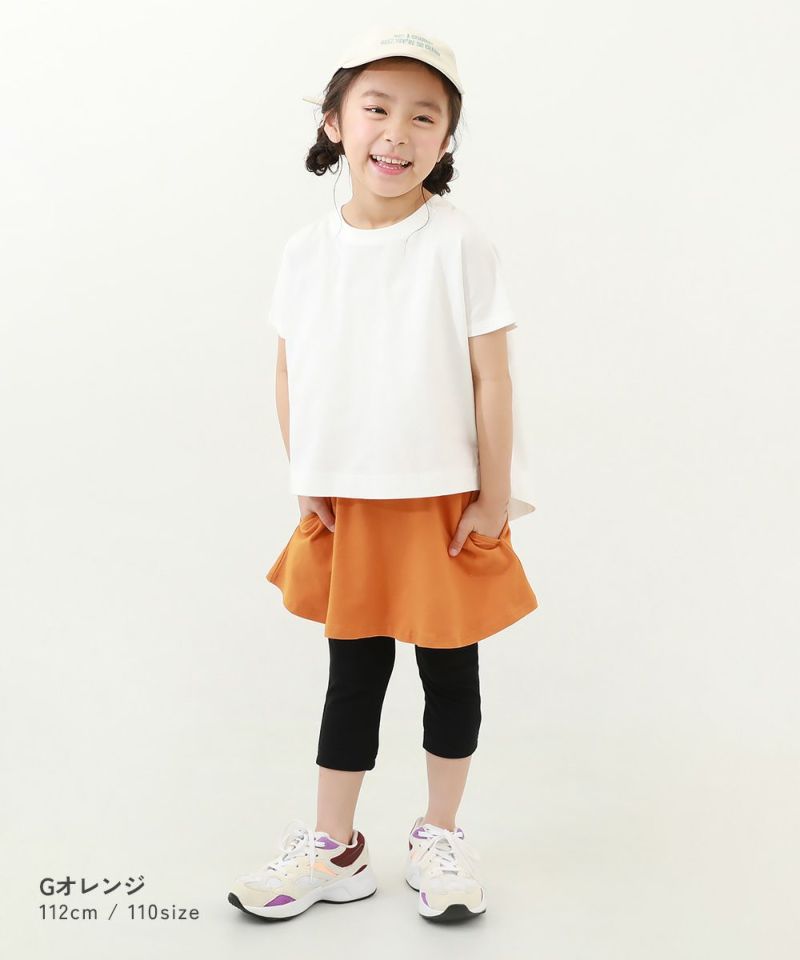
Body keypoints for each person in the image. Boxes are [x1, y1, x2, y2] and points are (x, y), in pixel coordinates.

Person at [228, 26, 539, 923]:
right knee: (353, 672)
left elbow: (491, 375)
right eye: (376, 108)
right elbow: (291, 367)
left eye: (424, 116)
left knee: (450, 670)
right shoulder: (306, 251)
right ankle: (335, 845)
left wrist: (491, 494)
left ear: (446, 140)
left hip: (443, 499)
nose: (397, 132)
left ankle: (441, 835)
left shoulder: (460, 244)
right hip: (351, 498)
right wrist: (307, 473)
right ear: (335, 122)